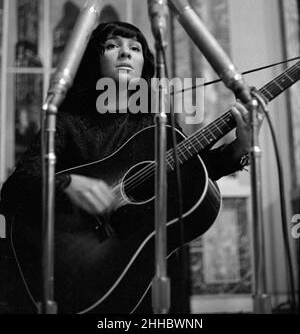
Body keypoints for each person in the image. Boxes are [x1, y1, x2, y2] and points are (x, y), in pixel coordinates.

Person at [0, 21, 254, 314]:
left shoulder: (159, 119)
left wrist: (239, 147)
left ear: (144, 64)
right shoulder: (67, 121)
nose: (125, 53)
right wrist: (67, 184)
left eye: (135, 48)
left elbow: (192, 173)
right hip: (79, 269)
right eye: (112, 46)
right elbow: (14, 189)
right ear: (95, 59)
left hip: (148, 264)